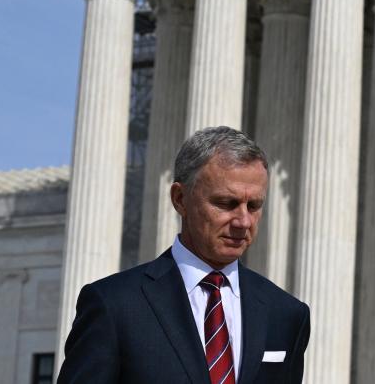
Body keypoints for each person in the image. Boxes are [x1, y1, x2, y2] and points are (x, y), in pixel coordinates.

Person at [58, 127, 310, 383]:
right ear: (180, 199)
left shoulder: (286, 314)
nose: (244, 221)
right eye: (226, 203)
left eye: (254, 206)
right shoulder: (113, 305)